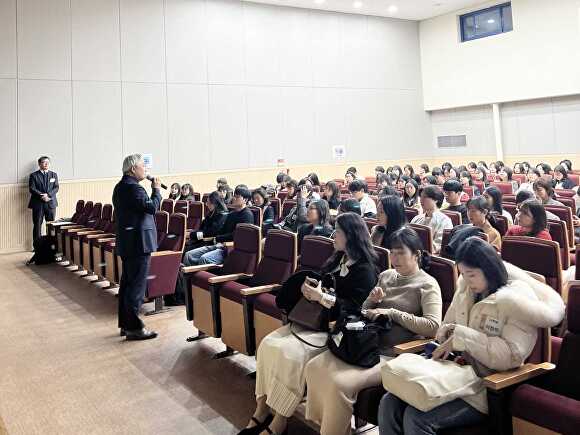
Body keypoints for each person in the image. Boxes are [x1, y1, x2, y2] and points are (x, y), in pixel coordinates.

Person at [378, 237, 565, 435]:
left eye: (472, 275)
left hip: (486, 386)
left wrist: (463, 338)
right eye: (463, 275)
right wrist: (447, 336)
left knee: (416, 419)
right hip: (453, 374)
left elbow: (510, 355)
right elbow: (447, 325)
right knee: (388, 403)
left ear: (489, 269)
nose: (467, 281)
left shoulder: (517, 301)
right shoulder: (467, 288)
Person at [239, 213, 378, 435]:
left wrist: (321, 297)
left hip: (336, 329)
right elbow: (320, 281)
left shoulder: (365, 270)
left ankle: (280, 420)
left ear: (351, 236)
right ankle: (262, 409)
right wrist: (308, 288)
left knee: (290, 354)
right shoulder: (337, 259)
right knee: (268, 344)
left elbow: (356, 308)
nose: (334, 236)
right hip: (313, 321)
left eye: (338, 232)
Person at [305, 227, 442, 435]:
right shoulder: (386, 276)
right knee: (314, 366)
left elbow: (433, 327)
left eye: (401, 252)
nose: (395, 258)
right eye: (392, 252)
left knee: (340, 383)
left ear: (417, 255)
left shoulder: (427, 285)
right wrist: (372, 301)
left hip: (393, 354)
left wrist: (393, 313)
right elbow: (363, 311)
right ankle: (333, 428)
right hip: (366, 345)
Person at [113, 154, 162, 341]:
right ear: (133, 169)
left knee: (127, 285)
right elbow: (152, 207)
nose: (146, 170)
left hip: (128, 241)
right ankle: (134, 328)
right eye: (143, 166)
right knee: (136, 287)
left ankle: (126, 325)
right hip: (138, 243)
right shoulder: (134, 188)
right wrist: (156, 190)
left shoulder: (120, 186)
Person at [183, 185, 254, 266]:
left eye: (237, 197)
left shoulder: (247, 215)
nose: (234, 198)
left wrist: (217, 238)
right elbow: (222, 230)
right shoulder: (232, 214)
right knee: (188, 255)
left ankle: (199, 277)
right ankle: (188, 278)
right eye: (234, 196)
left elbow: (237, 235)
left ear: (245, 200)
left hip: (230, 248)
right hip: (219, 244)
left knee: (204, 259)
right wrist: (217, 239)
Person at [411, 186, 453, 254]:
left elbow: (436, 247)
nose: (421, 200)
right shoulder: (417, 218)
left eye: (424, 197)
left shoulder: (445, 221)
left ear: (436, 200)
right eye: (420, 197)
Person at [28, 156, 59, 243]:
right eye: (44, 162)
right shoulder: (33, 175)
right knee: (37, 224)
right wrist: (42, 196)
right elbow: (32, 188)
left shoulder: (54, 174)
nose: (46, 164)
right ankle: (37, 245)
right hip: (38, 203)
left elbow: (56, 187)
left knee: (51, 225)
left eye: (47, 162)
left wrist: (48, 195)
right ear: (39, 164)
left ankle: (51, 244)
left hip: (51, 203)